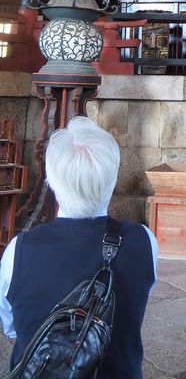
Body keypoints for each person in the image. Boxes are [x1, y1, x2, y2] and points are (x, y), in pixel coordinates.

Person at [0, 116, 158, 379]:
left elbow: (12, 326)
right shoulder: (145, 242)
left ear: (51, 180)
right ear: (112, 178)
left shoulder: (19, 250)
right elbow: (132, 308)